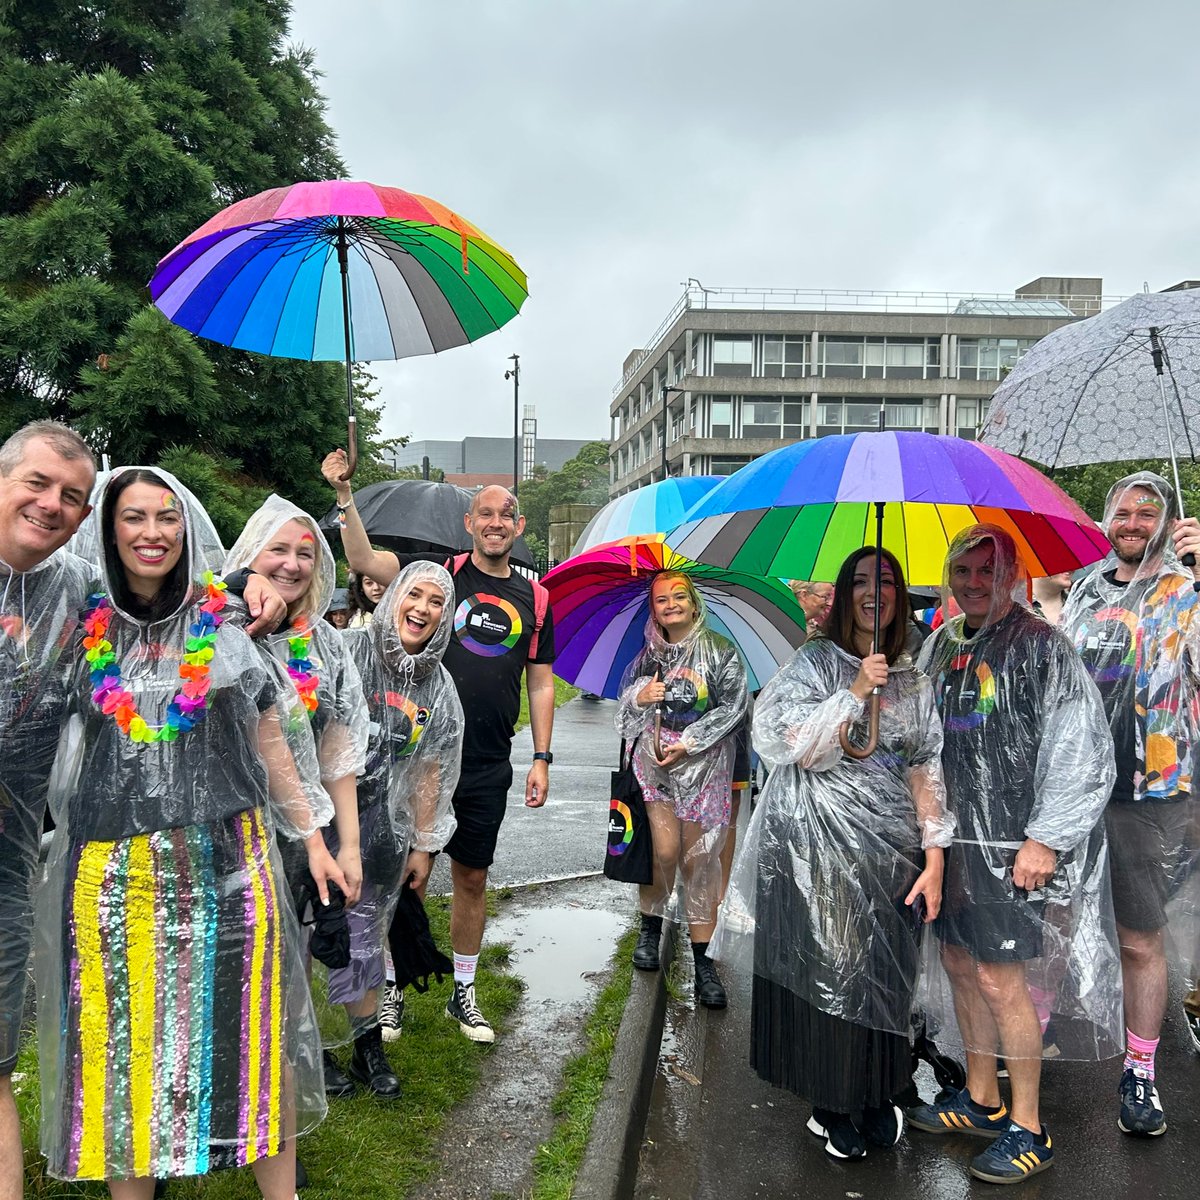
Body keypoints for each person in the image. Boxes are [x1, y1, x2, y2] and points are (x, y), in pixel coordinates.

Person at [34, 467, 345, 1197]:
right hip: (113, 875)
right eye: (134, 517)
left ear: (186, 527)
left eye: (167, 517)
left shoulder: (228, 618)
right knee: (123, 1049)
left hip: (229, 868)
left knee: (254, 1037)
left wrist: (314, 838)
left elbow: (271, 740)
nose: (152, 533)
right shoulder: (77, 625)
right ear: (109, 530)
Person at [717, 547, 950, 1159]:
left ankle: (876, 1089)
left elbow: (925, 764)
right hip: (814, 850)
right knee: (827, 970)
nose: (877, 593)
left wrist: (935, 852)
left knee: (881, 975)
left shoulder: (913, 678)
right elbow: (789, 744)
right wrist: (852, 690)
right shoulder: (814, 663)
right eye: (863, 582)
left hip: (890, 854)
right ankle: (829, 1102)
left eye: (890, 581)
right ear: (844, 593)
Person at [322, 450, 555, 1043]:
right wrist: (346, 497)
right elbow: (364, 560)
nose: (496, 522)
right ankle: (392, 989)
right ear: (470, 524)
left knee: (471, 878)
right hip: (414, 758)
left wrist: (542, 757)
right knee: (401, 877)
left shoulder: (538, 597)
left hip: (484, 761)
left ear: (518, 527)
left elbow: (542, 680)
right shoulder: (441, 574)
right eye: (485, 514)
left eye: (507, 514)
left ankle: (464, 992)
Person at [912, 525, 1117, 1185]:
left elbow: (1081, 750)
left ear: (1012, 576)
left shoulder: (1043, 646)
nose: (973, 583)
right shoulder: (942, 645)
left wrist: (1047, 838)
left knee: (1003, 981)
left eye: (986, 572)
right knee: (958, 965)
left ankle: (1029, 1127)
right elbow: (921, 742)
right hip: (954, 844)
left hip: (1011, 847)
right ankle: (981, 1097)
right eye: (962, 571)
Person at [1061, 471, 1200, 1137]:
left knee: (1139, 935)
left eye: (1148, 513)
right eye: (1123, 513)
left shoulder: (1186, 589)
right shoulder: (1086, 587)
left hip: (1148, 786)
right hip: (1078, 780)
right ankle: (1049, 1028)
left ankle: (1140, 1072)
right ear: (1107, 521)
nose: (1134, 523)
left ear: (1165, 520)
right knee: (1058, 915)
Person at [224, 497, 372, 1098]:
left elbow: (338, 751)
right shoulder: (220, 628)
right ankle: (244, 1088)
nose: (291, 565)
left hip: (305, 834)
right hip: (232, 829)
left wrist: (351, 845)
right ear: (251, 555)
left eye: (304, 554)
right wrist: (238, 588)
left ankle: (286, 1075)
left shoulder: (327, 647)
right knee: (242, 957)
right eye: (276, 550)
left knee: (291, 951)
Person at [0, 421, 96, 1200]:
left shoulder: (73, 592)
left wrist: (246, 588)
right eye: (36, 483)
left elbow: (156, 607)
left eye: (72, 497)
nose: (51, 505)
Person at [343, 561, 462, 1059]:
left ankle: (366, 1044)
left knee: (367, 927)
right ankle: (308, 1046)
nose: (423, 609)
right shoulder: (349, 652)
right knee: (314, 929)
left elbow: (434, 765)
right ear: (393, 598)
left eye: (437, 602)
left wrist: (424, 843)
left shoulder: (438, 686)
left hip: (388, 829)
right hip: (331, 817)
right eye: (415, 595)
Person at [616, 571, 749, 1008]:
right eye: (660, 600)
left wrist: (690, 742)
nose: (670, 604)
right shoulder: (647, 657)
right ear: (653, 609)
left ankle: (703, 963)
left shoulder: (720, 652)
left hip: (704, 772)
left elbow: (734, 707)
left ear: (694, 604)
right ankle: (651, 926)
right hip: (655, 770)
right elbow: (624, 716)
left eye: (679, 597)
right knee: (665, 852)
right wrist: (640, 697)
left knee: (699, 864)